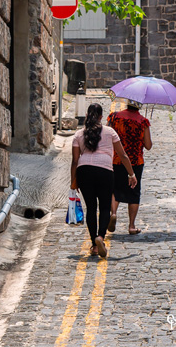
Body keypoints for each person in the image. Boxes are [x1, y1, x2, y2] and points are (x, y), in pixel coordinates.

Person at [71, 103, 137, 258]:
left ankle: (94, 245)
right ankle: (100, 237)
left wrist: (73, 180)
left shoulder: (79, 134)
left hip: (84, 170)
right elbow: (123, 155)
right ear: (101, 117)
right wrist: (131, 174)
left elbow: (74, 161)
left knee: (91, 208)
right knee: (105, 207)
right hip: (105, 170)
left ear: (87, 115)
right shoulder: (109, 132)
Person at [107, 103, 152, 234]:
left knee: (115, 189)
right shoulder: (143, 121)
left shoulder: (114, 117)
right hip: (135, 161)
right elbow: (148, 145)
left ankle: (113, 213)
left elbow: (106, 135)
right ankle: (131, 226)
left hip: (116, 159)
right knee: (134, 192)